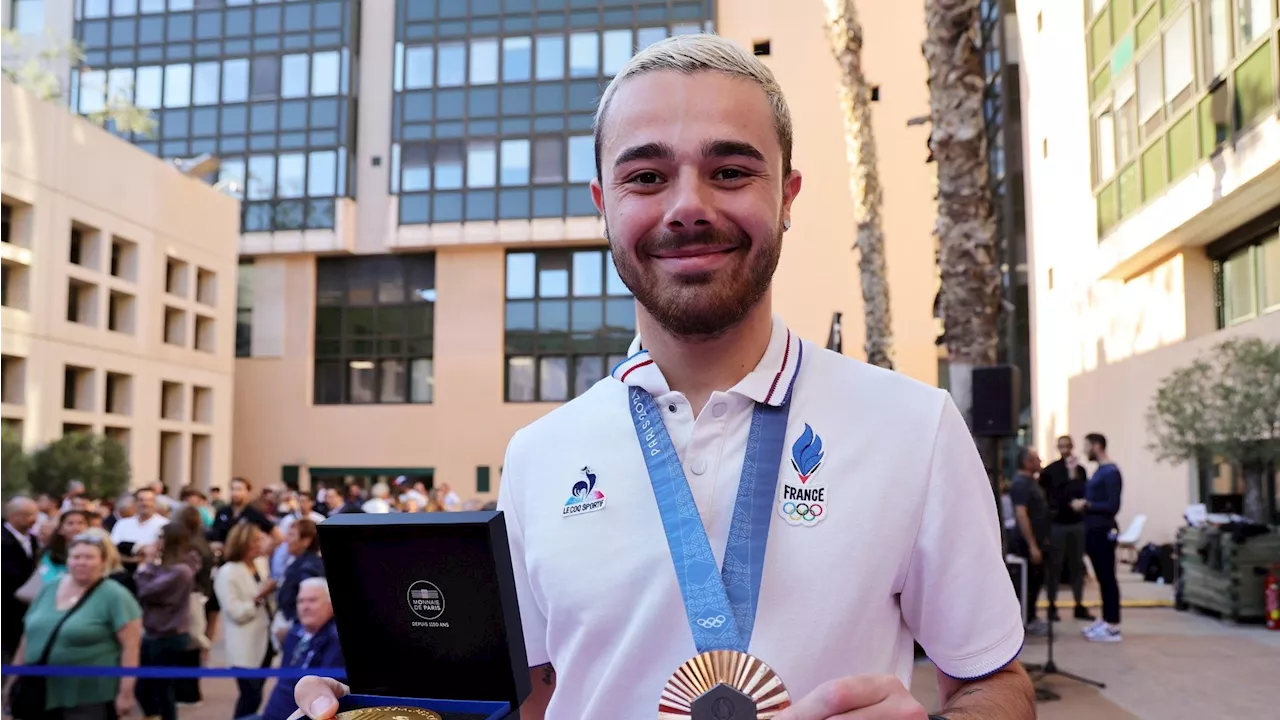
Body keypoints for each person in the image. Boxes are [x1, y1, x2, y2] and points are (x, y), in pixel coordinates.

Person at [294, 33, 1032, 720]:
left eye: (731, 171)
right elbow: (535, 693)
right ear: (604, 206)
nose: (688, 206)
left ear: (788, 196)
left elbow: (994, 680)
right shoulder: (540, 455)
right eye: (647, 176)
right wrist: (391, 709)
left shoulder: (913, 426)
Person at [1, 533, 142, 720]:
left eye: (89, 557)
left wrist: (126, 692)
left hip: (89, 694)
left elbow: (131, 648)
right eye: (76, 557)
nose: (81, 562)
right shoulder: (49, 589)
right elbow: (28, 639)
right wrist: (12, 681)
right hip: (39, 690)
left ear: (103, 562)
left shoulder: (115, 595)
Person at [134, 522, 200, 720]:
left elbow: (146, 590)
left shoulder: (181, 570)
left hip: (169, 634)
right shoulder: (167, 567)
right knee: (145, 688)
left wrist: (146, 562)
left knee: (163, 691)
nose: (156, 541)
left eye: (160, 537)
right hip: (154, 632)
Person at [215, 523, 276, 720]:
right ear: (244, 543)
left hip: (265, 641)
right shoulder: (227, 572)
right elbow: (235, 612)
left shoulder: (261, 564)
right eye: (256, 540)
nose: (261, 544)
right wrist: (259, 597)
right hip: (244, 645)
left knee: (256, 695)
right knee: (249, 696)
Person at [260, 579, 344, 720]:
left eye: (312, 600)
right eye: (301, 601)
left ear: (330, 604)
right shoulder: (294, 633)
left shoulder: (335, 641)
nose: (305, 606)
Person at [1074, 433, 1123, 643]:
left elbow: (1113, 505)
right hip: (1092, 530)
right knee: (1102, 578)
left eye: (1086, 446)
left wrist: (1088, 505)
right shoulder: (1099, 472)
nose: (1084, 451)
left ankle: (1113, 625)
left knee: (1107, 577)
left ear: (1097, 446)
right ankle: (1106, 619)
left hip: (1103, 530)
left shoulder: (1111, 472)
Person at [1039, 435, 1092, 622]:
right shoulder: (1050, 471)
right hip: (1057, 524)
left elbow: (1081, 492)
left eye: (1067, 446)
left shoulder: (1081, 471)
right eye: (1061, 446)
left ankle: (1079, 604)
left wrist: (1073, 477)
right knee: (1055, 566)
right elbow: (1050, 497)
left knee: (1077, 565)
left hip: (1076, 523)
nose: (1064, 449)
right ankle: (1052, 605)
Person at [1009, 447, 1050, 636]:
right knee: (1029, 581)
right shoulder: (1020, 484)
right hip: (1026, 543)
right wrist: (1032, 544)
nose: (1040, 462)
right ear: (1027, 462)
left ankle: (1031, 616)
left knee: (1036, 580)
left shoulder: (1031, 482)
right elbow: (1021, 513)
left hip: (1039, 540)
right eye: (1036, 459)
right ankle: (1027, 619)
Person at [0, 498, 41, 665]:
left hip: (28, 606)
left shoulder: (32, 539)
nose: (34, 519)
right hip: (7, 608)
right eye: (29, 515)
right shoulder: (2, 540)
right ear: (14, 516)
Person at [211, 478, 282, 547]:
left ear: (247, 491)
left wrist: (265, 551)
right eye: (232, 489)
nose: (235, 493)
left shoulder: (254, 514)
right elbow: (214, 533)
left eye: (239, 489)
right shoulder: (222, 512)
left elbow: (278, 536)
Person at [109, 488, 169, 568]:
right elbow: (113, 548)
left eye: (149, 500)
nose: (145, 504)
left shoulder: (165, 525)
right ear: (135, 502)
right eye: (141, 500)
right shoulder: (122, 524)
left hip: (153, 572)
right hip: (123, 570)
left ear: (155, 503)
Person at [36, 510, 90, 584]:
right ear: (61, 529)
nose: (76, 527)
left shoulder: (96, 552)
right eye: (70, 523)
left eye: (81, 523)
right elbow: (49, 580)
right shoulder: (49, 554)